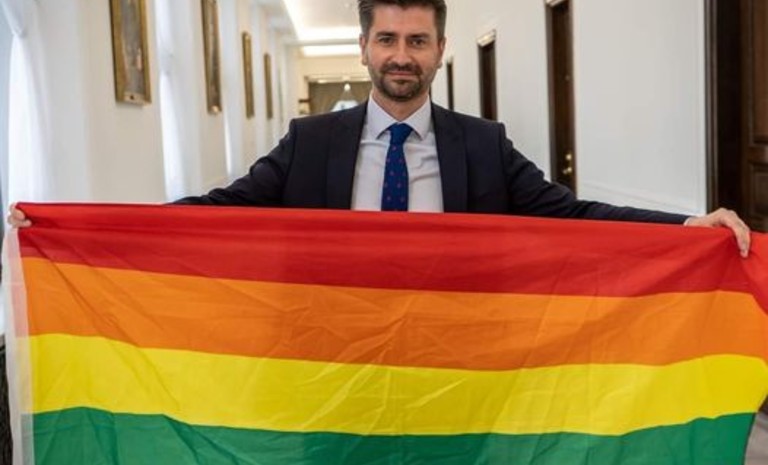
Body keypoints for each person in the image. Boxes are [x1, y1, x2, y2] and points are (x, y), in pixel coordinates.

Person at [7, 0, 752, 256]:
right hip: (335, 357)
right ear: (364, 46)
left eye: (417, 41)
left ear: (440, 49)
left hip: (454, 360)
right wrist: (88, 230)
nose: (402, 56)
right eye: (388, 39)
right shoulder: (310, 144)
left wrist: (687, 225)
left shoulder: (483, 144)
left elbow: (575, 213)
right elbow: (221, 210)